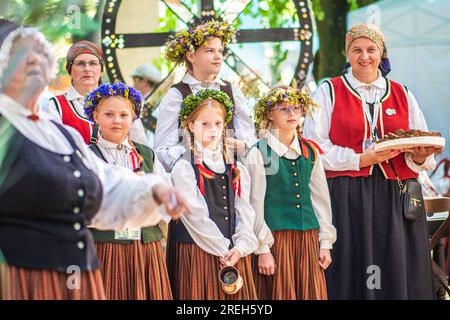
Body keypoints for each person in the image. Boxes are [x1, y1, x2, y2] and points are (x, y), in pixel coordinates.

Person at [0, 19, 188, 300]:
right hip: (22, 279)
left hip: (78, 276)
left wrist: (151, 190)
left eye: (38, 54)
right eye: (22, 55)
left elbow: (101, 182)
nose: (34, 62)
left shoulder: (58, 133)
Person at [303, 24, 443, 300]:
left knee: (394, 263)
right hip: (347, 194)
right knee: (353, 265)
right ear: (347, 54)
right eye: (357, 50)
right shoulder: (328, 91)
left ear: (382, 53)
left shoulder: (402, 93)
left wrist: (418, 158)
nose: (364, 56)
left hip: (396, 194)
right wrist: (359, 159)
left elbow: (421, 146)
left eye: (371, 50)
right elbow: (315, 147)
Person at [246, 86, 336, 300]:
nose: (292, 114)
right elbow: (254, 204)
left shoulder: (311, 151)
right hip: (276, 240)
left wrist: (325, 243)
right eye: (284, 109)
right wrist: (262, 249)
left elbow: (321, 200)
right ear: (269, 113)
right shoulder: (259, 153)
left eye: (296, 108)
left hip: (308, 240)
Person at [84, 82, 172, 300]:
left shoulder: (146, 154)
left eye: (124, 115)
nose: (117, 121)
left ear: (133, 117)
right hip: (107, 247)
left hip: (146, 246)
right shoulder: (87, 155)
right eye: (109, 114)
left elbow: (166, 202)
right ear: (96, 115)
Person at [167, 89, 258, 299]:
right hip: (200, 252)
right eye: (204, 124)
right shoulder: (184, 166)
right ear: (191, 126)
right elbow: (195, 216)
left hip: (234, 255)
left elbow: (245, 211)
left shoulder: (235, 167)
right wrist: (223, 248)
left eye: (218, 123)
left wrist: (241, 247)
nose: (212, 129)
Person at [154, 19, 256, 171]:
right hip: (193, 179)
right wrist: (196, 153)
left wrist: (243, 146)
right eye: (210, 51)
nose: (218, 56)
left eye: (220, 51)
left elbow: (250, 140)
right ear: (191, 56)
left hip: (230, 179)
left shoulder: (232, 91)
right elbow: (162, 153)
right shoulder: (176, 95)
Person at [44, 40, 148, 146]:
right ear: (69, 69)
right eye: (80, 64)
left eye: (93, 63)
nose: (87, 69)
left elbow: (142, 148)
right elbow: (53, 148)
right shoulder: (57, 106)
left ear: (101, 70)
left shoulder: (122, 101)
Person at [131, 63, 162, 147]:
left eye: (135, 81)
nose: (133, 85)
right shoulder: (140, 101)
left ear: (145, 81)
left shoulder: (159, 104)